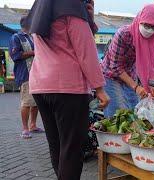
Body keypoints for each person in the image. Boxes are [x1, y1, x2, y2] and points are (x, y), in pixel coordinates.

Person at [26, 0, 109, 179]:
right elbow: (85, 50)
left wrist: (89, 19)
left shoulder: (41, 6)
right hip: (68, 88)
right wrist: (99, 88)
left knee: (57, 146)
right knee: (71, 150)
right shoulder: (72, 6)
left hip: (41, 85)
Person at [101, 4, 154, 117]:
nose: (150, 30)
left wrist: (152, 86)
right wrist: (136, 87)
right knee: (118, 115)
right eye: (146, 25)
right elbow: (115, 67)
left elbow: (152, 65)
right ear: (139, 20)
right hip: (110, 76)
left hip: (130, 75)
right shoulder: (124, 34)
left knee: (134, 113)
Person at [9, 16, 42, 139]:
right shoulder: (16, 37)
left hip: (37, 74)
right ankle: (25, 128)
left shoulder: (32, 37)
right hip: (25, 74)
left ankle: (33, 125)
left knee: (36, 102)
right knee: (27, 102)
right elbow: (15, 55)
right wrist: (34, 52)